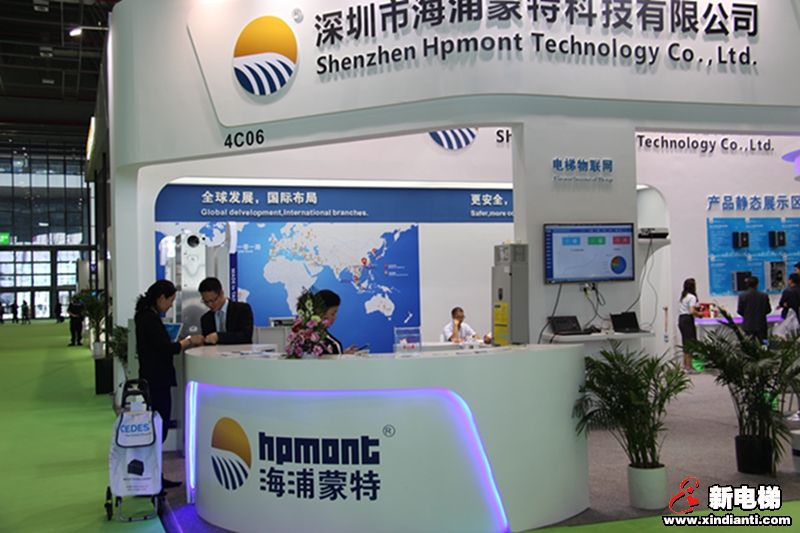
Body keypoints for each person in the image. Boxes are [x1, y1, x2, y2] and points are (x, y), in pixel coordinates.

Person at [135, 279, 198, 490]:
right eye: (170, 300)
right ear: (161, 298)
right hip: (157, 381)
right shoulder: (149, 319)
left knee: (156, 430)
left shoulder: (145, 316)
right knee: (157, 430)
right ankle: (153, 479)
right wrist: (186, 342)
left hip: (152, 379)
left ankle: (154, 477)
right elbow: (164, 348)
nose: (171, 305)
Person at [198, 277, 254, 345]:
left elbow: (246, 336)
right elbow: (208, 344)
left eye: (212, 301)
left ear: (221, 293)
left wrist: (219, 337)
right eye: (206, 302)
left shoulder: (242, 309)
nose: (210, 305)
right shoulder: (205, 319)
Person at [677, 278, 703, 373]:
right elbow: (692, 311)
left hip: (681, 319)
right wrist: (700, 314)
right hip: (688, 320)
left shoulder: (683, 297)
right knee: (690, 344)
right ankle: (689, 367)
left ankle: (686, 365)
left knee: (685, 343)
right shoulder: (692, 297)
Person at [737, 276, 771, 342]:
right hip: (761, 325)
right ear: (757, 284)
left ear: (747, 284)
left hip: (748, 325)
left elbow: (740, 311)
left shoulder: (742, 296)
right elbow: (768, 310)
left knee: (749, 345)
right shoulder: (764, 296)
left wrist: (747, 315)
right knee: (764, 344)